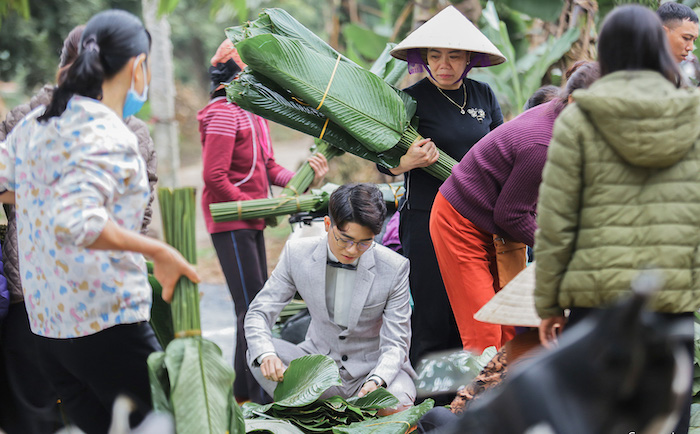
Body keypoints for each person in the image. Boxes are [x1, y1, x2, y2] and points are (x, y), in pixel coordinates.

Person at [0, 10, 199, 433]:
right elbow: (79, 223)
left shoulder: (37, 124)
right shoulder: (109, 135)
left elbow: (6, 184)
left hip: (48, 329)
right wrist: (160, 251)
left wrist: (41, 196)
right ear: (137, 65)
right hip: (106, 322)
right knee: (171, 424)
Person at [535, 5, 700, 433]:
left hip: (596, 303)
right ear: (659, 50)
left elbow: (556, 223)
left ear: (606, 52)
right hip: (669, 302)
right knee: (665, 420)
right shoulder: (694, 116)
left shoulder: (577, 120)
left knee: (591, 420)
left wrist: (549, 303)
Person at [429, 61, 600, 352]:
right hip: (460, 219)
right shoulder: (544, 145)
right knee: (484, 331)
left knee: (511, 324)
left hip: (496, 221)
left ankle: (508, 397)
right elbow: (511, 215)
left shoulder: (563, 117)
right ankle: (478, 397)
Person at [199, 39, 328, 405]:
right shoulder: (223, 113)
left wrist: (305, 178)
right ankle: (255, 393)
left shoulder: (252, 112)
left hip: (250, 218)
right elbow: (214, 178)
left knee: (254, 303)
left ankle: (244, 390)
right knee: (251, 305)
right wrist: (255, 207)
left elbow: (268, 167)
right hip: (231, 222)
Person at [384, 5, 505, 366]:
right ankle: (430, 405)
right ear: (424, 58)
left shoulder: (483, 96)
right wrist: (409, 162)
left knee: (475, 307)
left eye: (454, 56)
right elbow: (383, 159)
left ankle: (469, 396)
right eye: (435, 55)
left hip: (477, 219)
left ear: (469, 59)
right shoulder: (410, 100)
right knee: (433, 310)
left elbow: (502, 152)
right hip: (426, 219)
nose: (444, 64)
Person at [244, 183, 416, 408]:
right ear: (328, 225)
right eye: (344, 239)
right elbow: (259, 312)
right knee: (258, 353)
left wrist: (378, 379)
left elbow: (397, 342)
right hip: (317, 369)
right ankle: (311, 410)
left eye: (364, 242)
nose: (352, 250)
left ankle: (319, 407)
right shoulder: (296, 254)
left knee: (397, 402)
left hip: (371, 372)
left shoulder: (395, 267)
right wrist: (266, 354)